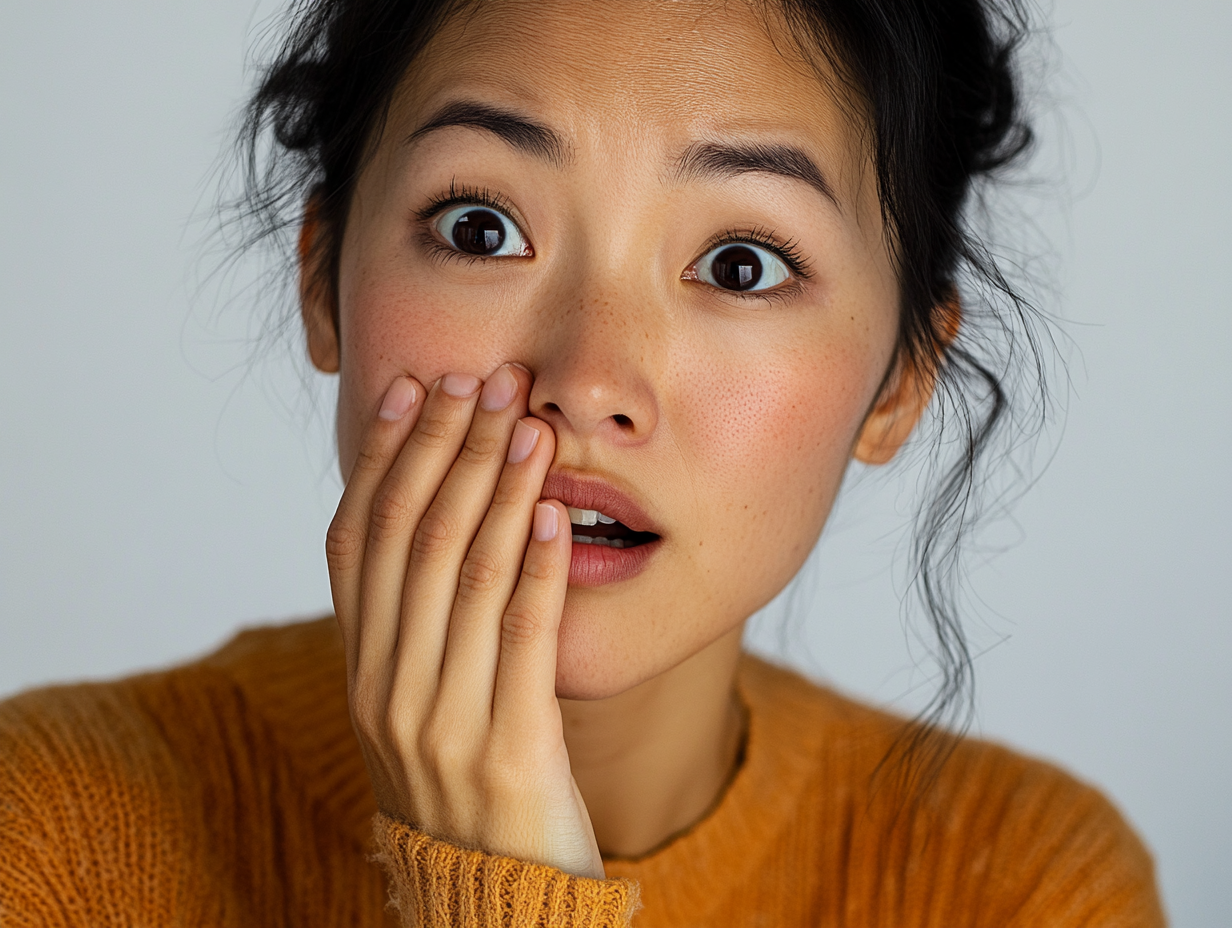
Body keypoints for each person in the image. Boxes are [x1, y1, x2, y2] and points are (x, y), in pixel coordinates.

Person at [0, 1, 1166, 925]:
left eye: (742, 262)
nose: (590, 380)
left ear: (900, 379)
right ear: (323, 284)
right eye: (479, 229)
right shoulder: (46, 833)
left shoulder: (1020, 885)